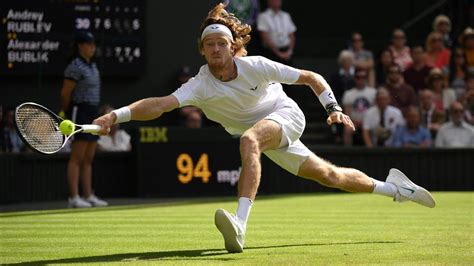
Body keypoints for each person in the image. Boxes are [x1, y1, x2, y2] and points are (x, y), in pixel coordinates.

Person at [93, 4, 436, 253]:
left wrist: (332, 108)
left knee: (249, 139)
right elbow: (160, 104)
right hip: (264, 134)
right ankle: (395, 189)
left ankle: (240, 223)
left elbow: (310, 78)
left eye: (221, 43)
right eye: (208, 44)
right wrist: (116, 116)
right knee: (329, 176)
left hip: (285, 115)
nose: (215, 49)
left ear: (232, 47)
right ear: (202, 50)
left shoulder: (256, 66)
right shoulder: (199, 84)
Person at [60, 31, 108, 208]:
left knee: (88, 157)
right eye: (89, 44)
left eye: (94, 44)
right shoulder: (74, 66)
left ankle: (88, 195)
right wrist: (68, 111)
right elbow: (65, 93)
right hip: (79, 111)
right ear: (80, 46)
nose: (93, 48)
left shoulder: (93, 66)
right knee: (77, 157)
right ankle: (74, 197)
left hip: (93, 112)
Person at [341, 68, 376, 146]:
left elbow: (375, 111)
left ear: (366, 78)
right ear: (355, 78)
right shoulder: (348, 93)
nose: (360, 79)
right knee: (347, 129)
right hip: (354, 122)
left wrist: (366, 122)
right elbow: (347, 114)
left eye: (363, 77)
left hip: (369, 122)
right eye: (358, 77)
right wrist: (354, 122)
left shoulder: (373, 92)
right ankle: (347, 153)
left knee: (375, 128)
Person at [257, 0, 296, 65]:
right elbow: (264, 37)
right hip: (270, 54)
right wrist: (278, 53)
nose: (276, 1)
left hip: (287, 53)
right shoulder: (263, 16)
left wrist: (289, 51)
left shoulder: (286, 16)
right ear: (269, 1)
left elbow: (292, 35)